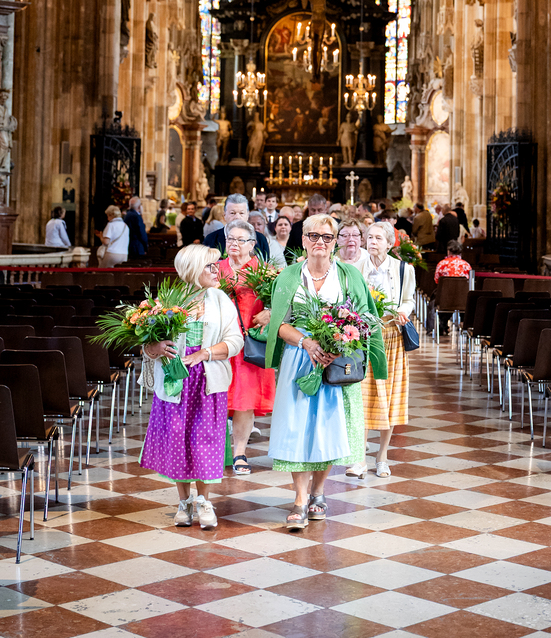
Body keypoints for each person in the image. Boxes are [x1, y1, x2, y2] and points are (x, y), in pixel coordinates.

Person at [265, 214, 386, 529]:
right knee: (296, 428)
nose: (320, 242)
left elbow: (366, 319)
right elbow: (278, 324)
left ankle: (318, 493)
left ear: (335, 243)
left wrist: (342, 343)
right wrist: (305, 341)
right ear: (303, 240)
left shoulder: (349, 276)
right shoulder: (288, 276)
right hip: (298, 359)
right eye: (314, 236)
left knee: (330, 429)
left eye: (327, 237)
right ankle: (299, 499)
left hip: (336, 363)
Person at [139, 244, 243, 529]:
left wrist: (204, 354)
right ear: (193, 269)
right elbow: (146, 347)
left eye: (216, 265)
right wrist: (155, 347)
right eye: (210, 266)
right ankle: (184, 502)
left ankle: (204, 501)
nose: (216, 270)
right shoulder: (166, 302)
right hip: (176, 382)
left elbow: (236, 341)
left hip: (207, 382)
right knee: (178, 439)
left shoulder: (220, 299)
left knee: (205, 440)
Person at [348, 221, 416, 479]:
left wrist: (403, 311)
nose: (372, 242)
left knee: (389, 398)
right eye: (370, 237)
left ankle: (382, 457)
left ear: (390, 243)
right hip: (365, 337)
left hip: (392, 336)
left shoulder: (403, 269)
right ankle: (359, 459)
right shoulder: (356, 267)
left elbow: (408, 300)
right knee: (363, 397)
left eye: (378, 238)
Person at [219, 220, 276, 474]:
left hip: (248, 345)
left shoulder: (264, 271)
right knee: (216, 397)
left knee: (244, 400)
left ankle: (239, 452)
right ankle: (215, 451)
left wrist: (269, 312)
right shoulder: (214, 268)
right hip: (219, 343)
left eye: (240, 240)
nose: (234, 244)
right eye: (230, 239)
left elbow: (283, 304)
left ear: (252, 244)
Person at [203, 193, 270, 259]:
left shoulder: (260, 239)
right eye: (232, 213)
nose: (237, 217)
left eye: (241, 213)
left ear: (247, 215)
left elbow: (266, 264)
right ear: (224, 215)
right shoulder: (211, 239)